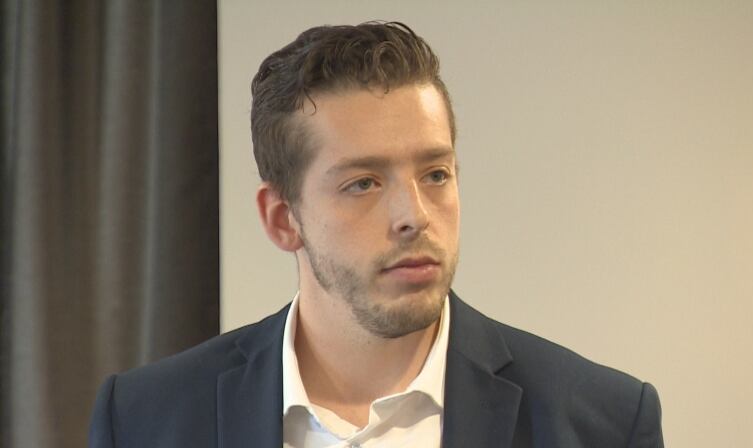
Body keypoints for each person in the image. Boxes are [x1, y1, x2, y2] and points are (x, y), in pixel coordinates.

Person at [89, 22, 663, 447]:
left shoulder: (602, 421)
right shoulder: (146, 419)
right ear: (282, 218)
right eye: (363, 184)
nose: (413, 215)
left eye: (435, 174)